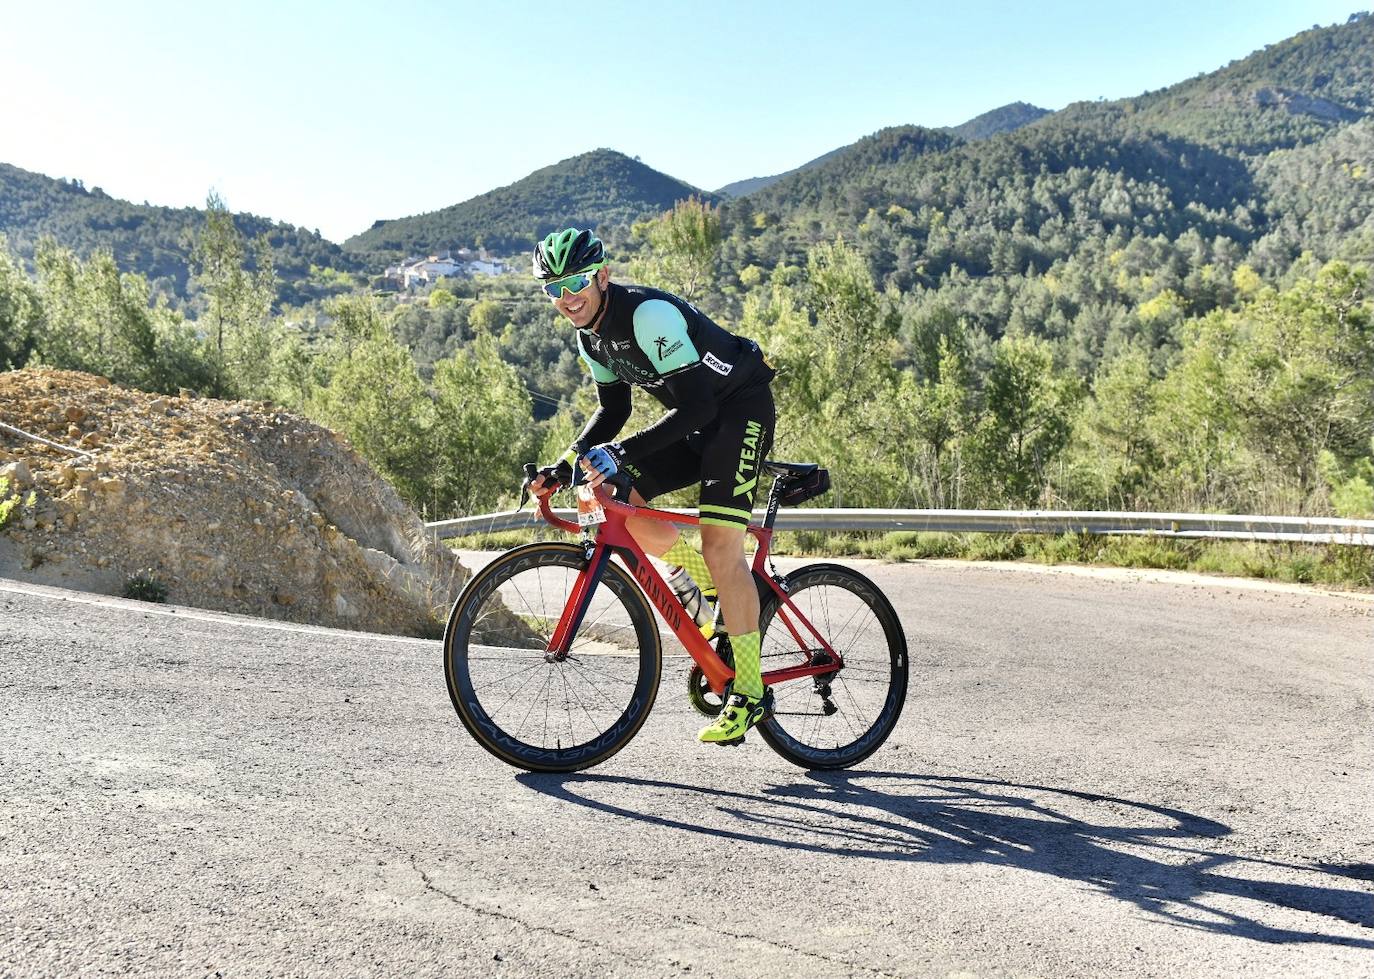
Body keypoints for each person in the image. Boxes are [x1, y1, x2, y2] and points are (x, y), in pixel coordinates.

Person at [528, 227, 777, 746]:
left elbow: (703, 405)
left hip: (736, 412)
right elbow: (613, 409)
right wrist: (563, 464)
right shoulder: (590, 335)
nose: (566, 297)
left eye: (575, 281)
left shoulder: (647, 316)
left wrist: (619, 452)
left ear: (602, 275)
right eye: (553, 288)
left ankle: (751, 690)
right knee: (617, 498)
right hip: (692, 422)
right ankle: (702, 584)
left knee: (721, 546)